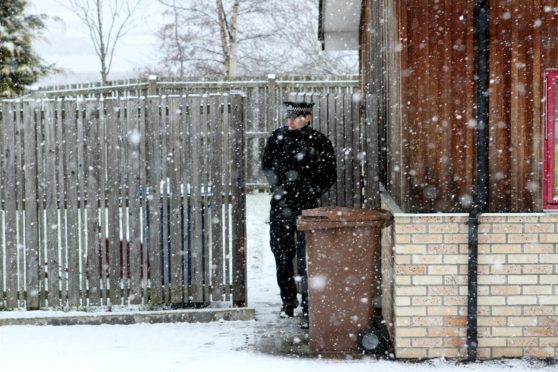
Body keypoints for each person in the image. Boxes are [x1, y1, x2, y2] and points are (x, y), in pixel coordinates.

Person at [261, 101, 336, 322]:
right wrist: (278, 188)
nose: (290, 121)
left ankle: (308, 306)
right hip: (281, 205)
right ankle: (288, 301)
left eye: (295, 117)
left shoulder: (318, 141)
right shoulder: (278, 137)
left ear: (308, 118)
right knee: (282, 253)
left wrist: (312, 191)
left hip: (308, 207)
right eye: (288, 117)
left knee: (308, 258)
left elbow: (329, 173)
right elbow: (267, 165)